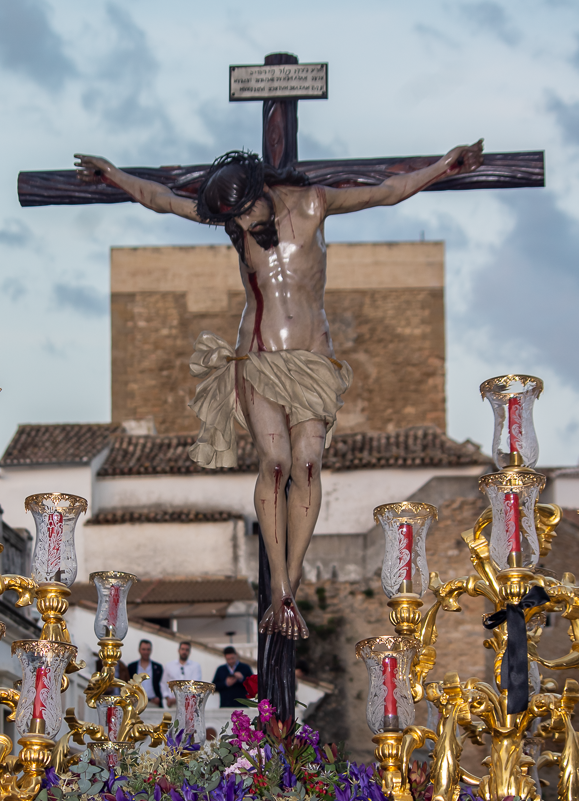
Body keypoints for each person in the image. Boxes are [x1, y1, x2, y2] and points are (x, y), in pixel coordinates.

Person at [75, 141, 482, 641]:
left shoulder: (314, 203)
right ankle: (281, 588)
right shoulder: (235, 221)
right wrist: (111, 173)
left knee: (308, 464)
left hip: (311, 358)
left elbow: (388, 191)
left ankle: (293, 575)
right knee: (276, 464)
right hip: (259, 355)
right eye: (235, 218)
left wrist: (443, 165)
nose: (243, 223)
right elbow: (163, 199)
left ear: (262, 190)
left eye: (248, 212)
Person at [161, 641, 202, 707]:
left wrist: (180, 698)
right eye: (182, 649)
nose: (184, 652)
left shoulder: (195, 666)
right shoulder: (169, 665)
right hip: (172, 703)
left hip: (189, 703)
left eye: (187, 650)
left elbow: (195, 685)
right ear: (178, 650)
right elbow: (163, 683)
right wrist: (167, 698)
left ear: (189, 652)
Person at [127, 639, 163, 707]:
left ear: (151, 650)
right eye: (143, 649)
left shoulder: (158, 667)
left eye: (148, 649)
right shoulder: (132, 667)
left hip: (153, 702)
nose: (146, 652)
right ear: (139, 650)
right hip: (137, 702)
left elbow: (161, 684)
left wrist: (158, 698)